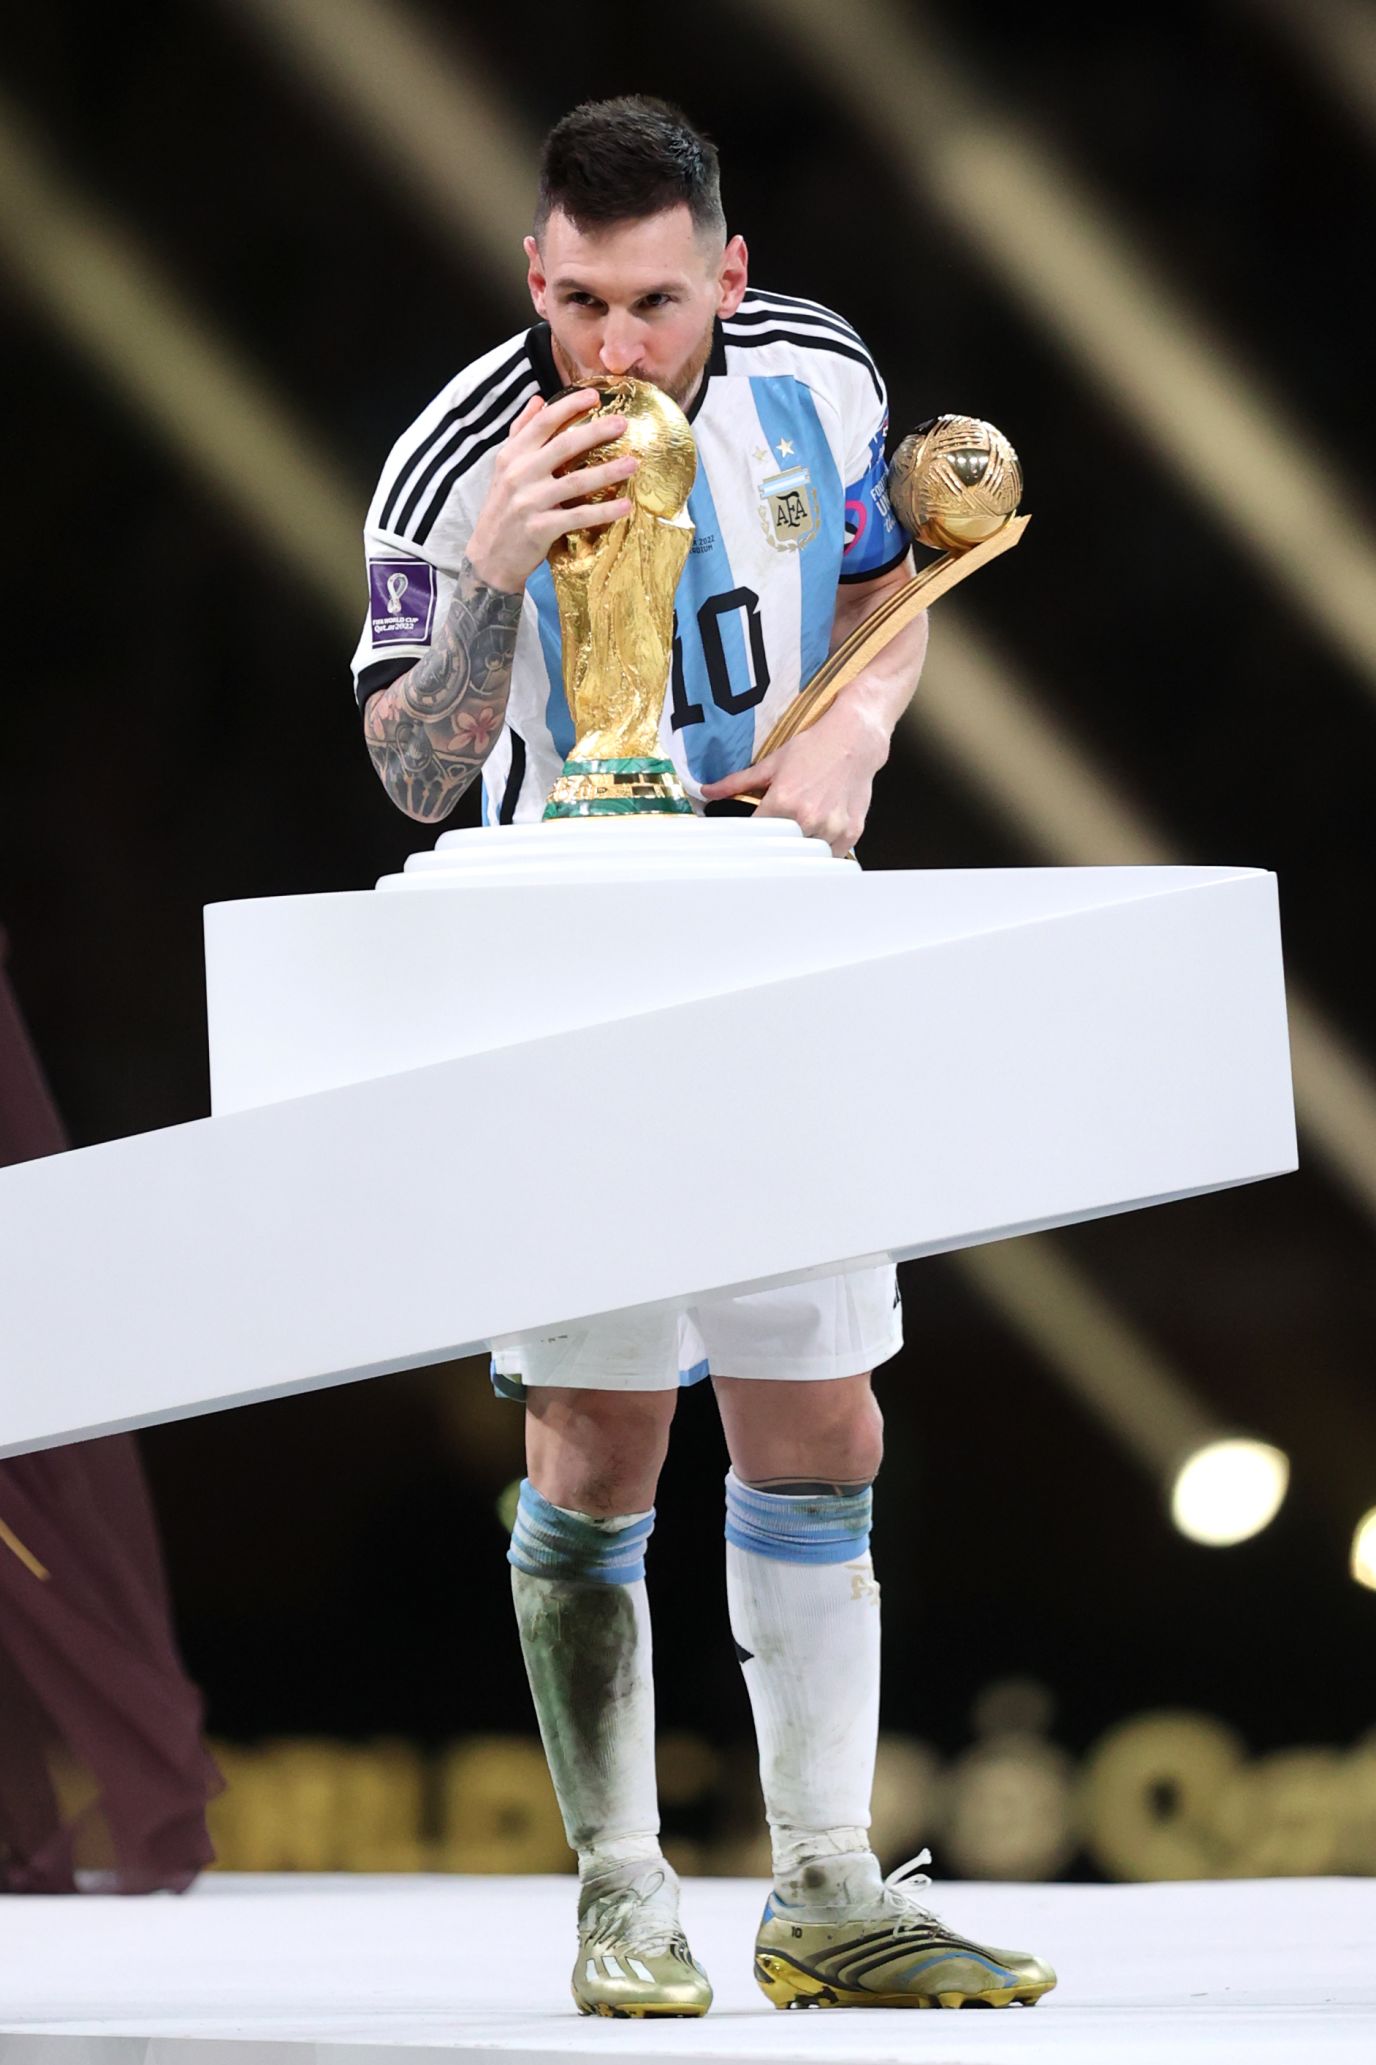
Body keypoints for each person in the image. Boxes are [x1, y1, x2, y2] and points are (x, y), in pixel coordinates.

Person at [352, 96, 1053, 2018]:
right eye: (577, 300)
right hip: (560, 986)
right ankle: (621, 1889)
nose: (614, 350)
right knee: (595, 1435)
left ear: (726, 274)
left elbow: (883, 592)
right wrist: (495, 564)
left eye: (654, 302)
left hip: (771, 953)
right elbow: (409, 767)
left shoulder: (821, 379)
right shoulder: (443, 466)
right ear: (532, 270)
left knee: (823, 1413)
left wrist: (857, 732)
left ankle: (828, 1887)